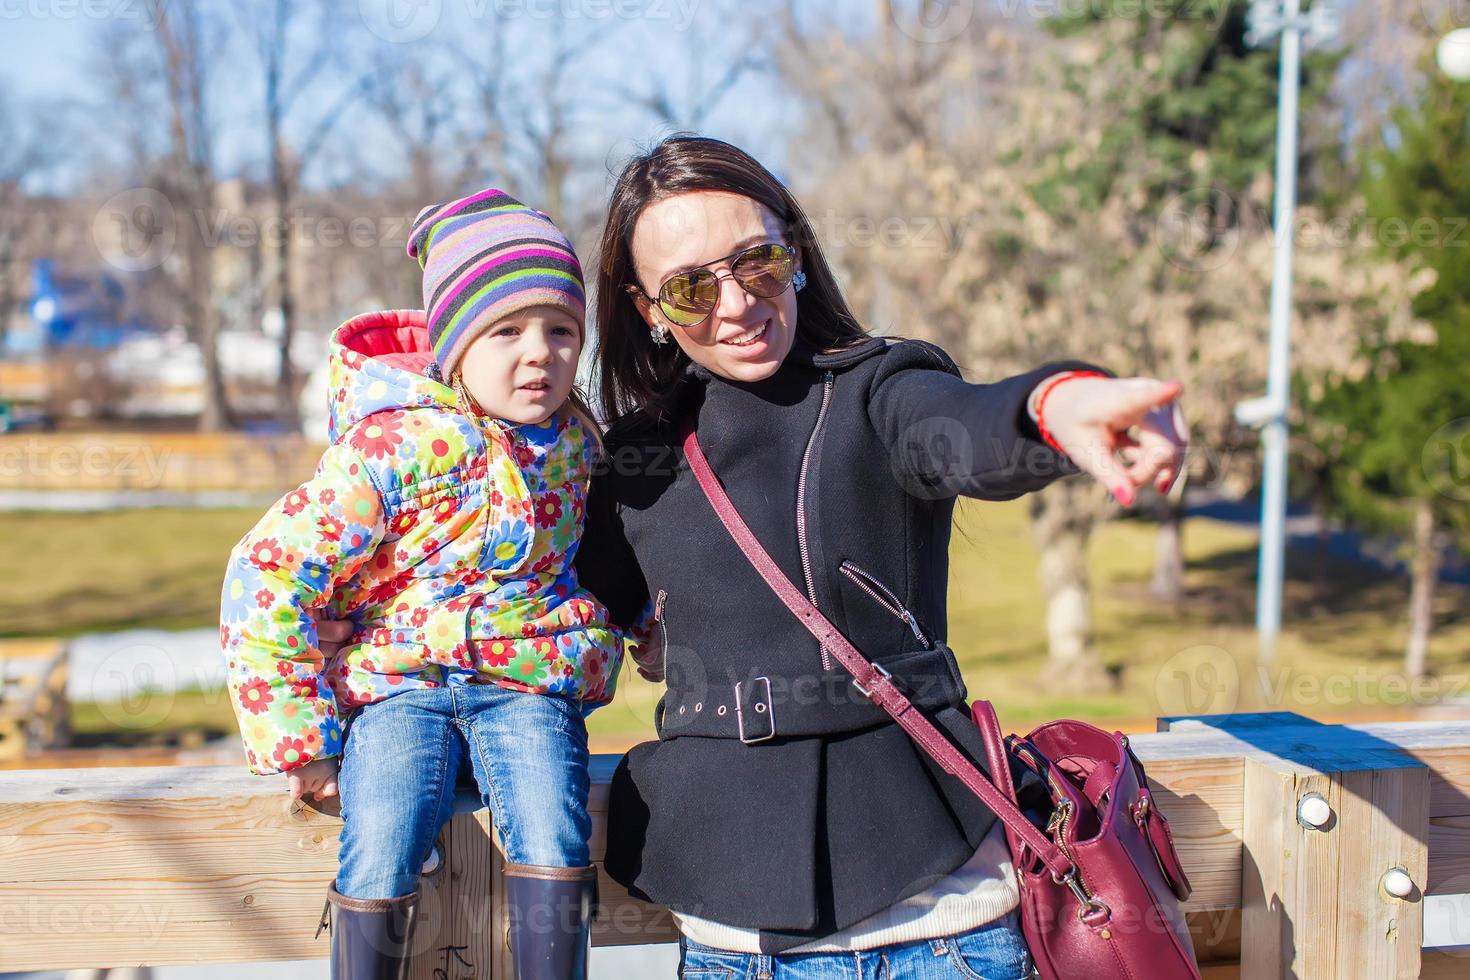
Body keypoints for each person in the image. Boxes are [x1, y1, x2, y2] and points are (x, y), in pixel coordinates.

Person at [572, 135, 1190, 979]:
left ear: (793, 255)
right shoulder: (635, 463)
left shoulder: (878, 391)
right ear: (648, 309)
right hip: (727, 945)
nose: (735, 304)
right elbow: (542, 613)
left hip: (935, 934)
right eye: (688, 287)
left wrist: (1057, 403)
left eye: (756, 263)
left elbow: (972, 427)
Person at [219, 188, 621, 980]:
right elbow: (268, 573)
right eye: (505, 330)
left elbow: (614, 558)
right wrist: (301, 743)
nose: (538, 351)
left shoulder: (579, 446)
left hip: (524, 681)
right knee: (383, 830)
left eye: (562, 331)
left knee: (554, 828)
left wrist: (652, 628)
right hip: (399, 684)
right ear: (454, 345)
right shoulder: (395, 447)